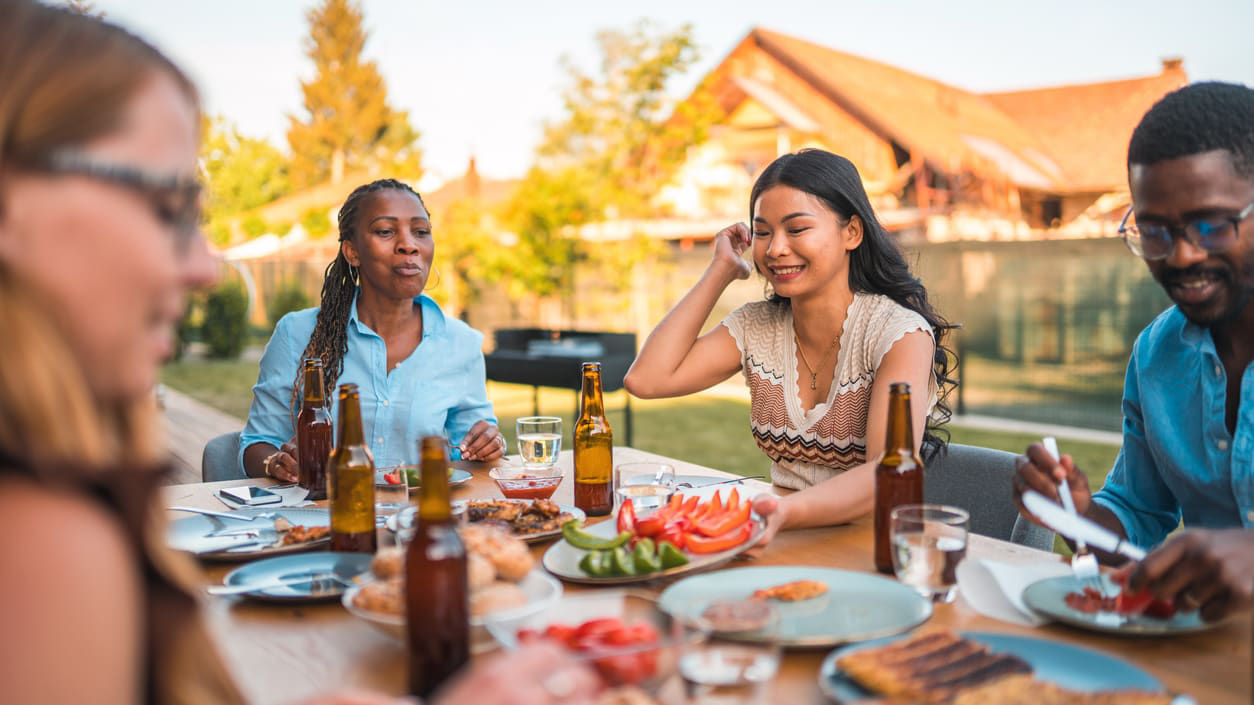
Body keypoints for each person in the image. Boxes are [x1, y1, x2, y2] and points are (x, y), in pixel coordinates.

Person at [0, 2, 600, 703]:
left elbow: (470, 442)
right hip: (319, 543)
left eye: (421, 230)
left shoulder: (80, 492)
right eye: (166, 208)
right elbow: (258, 442)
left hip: (415, 544)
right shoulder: (44, 531)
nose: (204, 265)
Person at [1013, 82, 1254, 621]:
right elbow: (1137, 515)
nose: (1183, 256)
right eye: (1155, 232)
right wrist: (1078, 514)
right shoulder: (1156, 355)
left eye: (1212, 226)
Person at [625, 149, 955, 541]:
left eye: (796, 230)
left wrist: (781, 513)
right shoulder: (756, 326)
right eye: (762, 232)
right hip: (778, 538)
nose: (775, 249)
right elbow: (646, 380)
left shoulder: (899, 335)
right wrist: (720, 270)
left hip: (875, 545)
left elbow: (885, 471)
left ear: (851, 232)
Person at [240, 179, 505, 481]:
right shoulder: (296, 334)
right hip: (325, 519)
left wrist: (487, 445)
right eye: (385, 232)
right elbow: (256, 444)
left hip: (421, 518)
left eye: (421, 232)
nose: (409, 244)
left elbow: (469, 450)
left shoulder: (461, 343)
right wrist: (276, 461)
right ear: (352, 252)